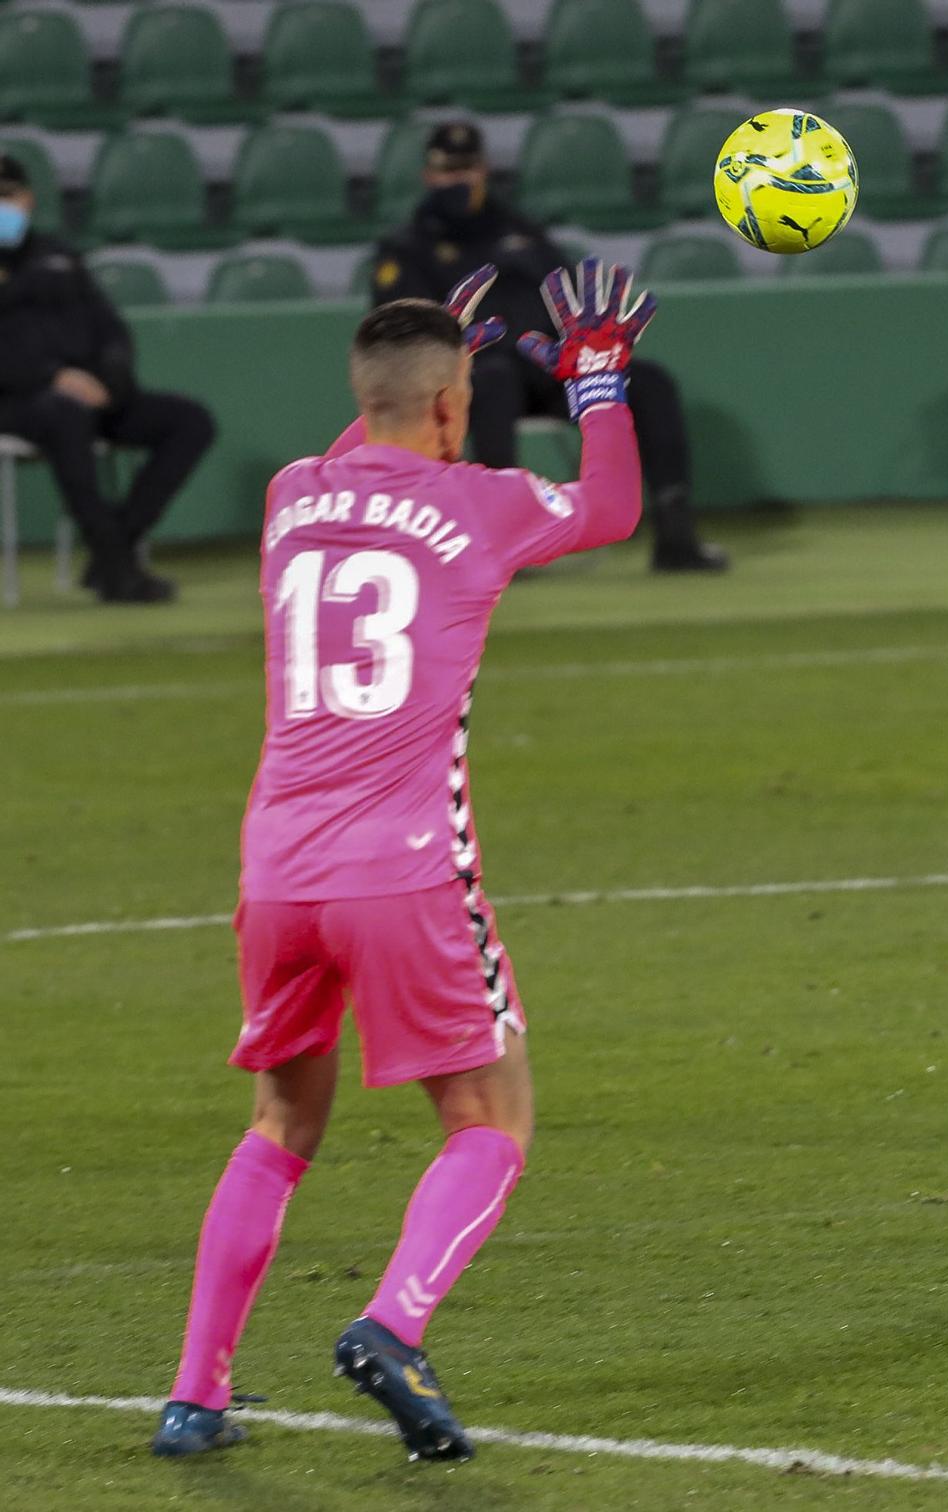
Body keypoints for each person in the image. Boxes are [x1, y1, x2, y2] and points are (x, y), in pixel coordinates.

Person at [151, 258, 653, 1461]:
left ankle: (194, 1396)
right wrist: (596, 385)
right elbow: (612, 508)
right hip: (405, 871)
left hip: (276, 872)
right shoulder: (482, 502)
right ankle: (393, 1323)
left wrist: (434, 362)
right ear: (449, 407)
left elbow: (370, 444)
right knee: (491, 1117)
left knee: (281, 1117)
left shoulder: (289, 494)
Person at [371, 121, 726, 573]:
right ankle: (498, 543)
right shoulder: (407, 247)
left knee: (650, 382)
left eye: (467, 169)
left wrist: (589, 354)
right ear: (428, 175)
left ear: (484, 170)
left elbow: (569, 296)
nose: (458, 180)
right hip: (472, 378)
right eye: (448, 171)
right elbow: (399, 333)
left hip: (548, 367)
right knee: (493, 378)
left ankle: (676, 536)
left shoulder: (520, 229)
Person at [0, 152, 212, 602]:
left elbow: (109, 327)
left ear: (27, 199)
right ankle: (118, 569)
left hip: (90, 393)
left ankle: (114, 546)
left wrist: (110, 380)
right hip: (19, 402)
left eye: (6, 196)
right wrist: (52, 376)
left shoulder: (59, 257)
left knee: (189, 420)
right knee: (65, 414)